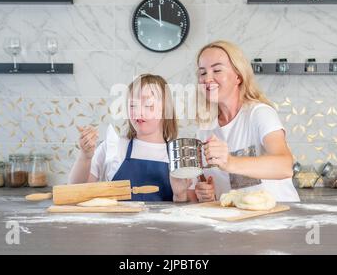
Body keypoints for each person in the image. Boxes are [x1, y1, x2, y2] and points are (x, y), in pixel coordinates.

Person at [194, 40, 300, 202]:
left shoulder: (259, 113)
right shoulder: (205, 128)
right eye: (202, 73)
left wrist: (230, 162)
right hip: (235, 221)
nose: (207, 79)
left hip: (277, 217)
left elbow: (284, 166)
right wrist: (206, 192)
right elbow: (217, 186)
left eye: (217, 70)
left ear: (238, 76)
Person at [68, 74, 196, 202]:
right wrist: (85, 156)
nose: (138, 111)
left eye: (148, 104)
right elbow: (75, 193)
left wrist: (180, 195)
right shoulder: (114, 147)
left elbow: (188, 214)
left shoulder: (180, 156)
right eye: (133, 105)